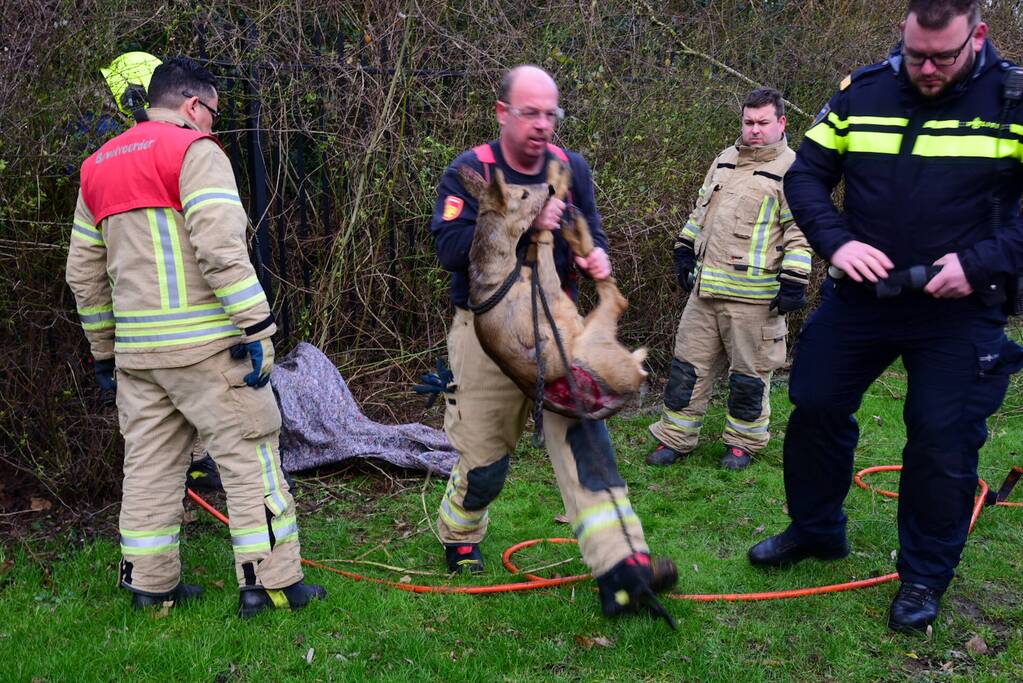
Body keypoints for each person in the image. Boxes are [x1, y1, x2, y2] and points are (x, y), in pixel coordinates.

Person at [748, 0, 1023, 634]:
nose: (926, 68)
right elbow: (807, 175)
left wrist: (983, 263)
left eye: (943, 56)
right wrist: (835, 240)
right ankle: (816, 530)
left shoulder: (1012, 100)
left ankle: (924, 575)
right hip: (861, 297)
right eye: (915, 52)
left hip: (959, 308)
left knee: (940, 439)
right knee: (813, 403)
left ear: (978, 36)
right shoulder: (863, 91)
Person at [65, 57, 325, 617]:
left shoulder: (97, 168)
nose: (214, 124)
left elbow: (83, 275)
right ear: (191, 105)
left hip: (138, 357)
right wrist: (258, 329)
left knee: (150, 469)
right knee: (252, 455)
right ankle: (272, 583)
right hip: (210, 349)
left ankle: (149, 587)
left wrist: (104, 352)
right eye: (212, 112)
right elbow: (222, 251)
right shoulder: (194, 153)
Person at [430, 64, 677, 622]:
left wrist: (598, 257)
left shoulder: (570, 168)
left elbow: (591, 225)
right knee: (486, 459)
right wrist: (521, 220)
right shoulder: (471, 171)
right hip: (486, 332)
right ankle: (460, 530)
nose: (544, 125)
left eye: (551, 113)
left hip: (560, 329)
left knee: (585, 438)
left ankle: (623, 570)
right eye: (531, 113)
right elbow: (449, 250)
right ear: (503, 113)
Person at [647, 88, 812, 471]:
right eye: (748, 122)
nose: (754, 130)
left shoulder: (794, 169)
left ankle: (743, 443)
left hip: (755, 301)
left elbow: (800, 232)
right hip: (705, 292)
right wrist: (684, 247)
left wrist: (795, 280)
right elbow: (701, 210)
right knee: (687, 370)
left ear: (781, 123)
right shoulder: (724, 159)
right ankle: (675, 437)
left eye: (763, 122)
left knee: (749, 379)